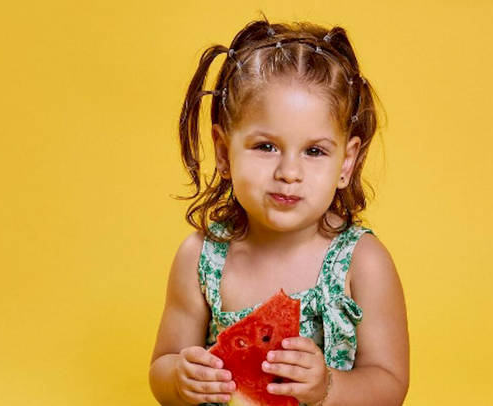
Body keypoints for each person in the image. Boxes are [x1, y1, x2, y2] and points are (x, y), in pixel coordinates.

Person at [149, 16, 409, 406]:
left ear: (346, 164)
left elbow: (391, 384)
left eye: (314, 151)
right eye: (266, 146)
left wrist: (328, 388)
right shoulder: (200, 257)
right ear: (223, 152)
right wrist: (179, 378)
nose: (289, 173)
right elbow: (161, 366)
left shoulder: (363, 262)